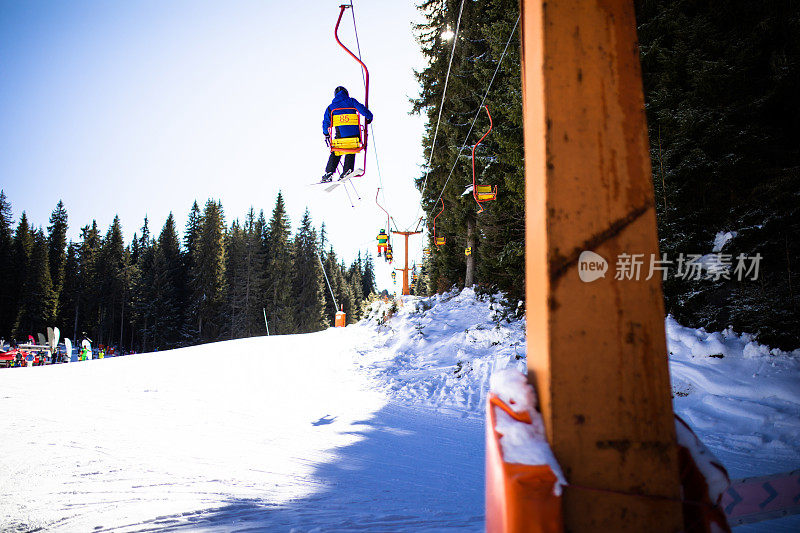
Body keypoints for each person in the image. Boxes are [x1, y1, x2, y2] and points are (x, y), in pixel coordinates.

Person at [321, 86, 373, 183]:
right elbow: (363, 110)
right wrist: (369, 117)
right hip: (354, 137)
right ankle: (347, 169)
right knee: (351, 146)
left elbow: (326, 123)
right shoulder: (352, 102)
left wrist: (326, 134)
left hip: (340, 139)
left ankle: (329, 173)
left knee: (336, 151)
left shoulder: (330, 107)